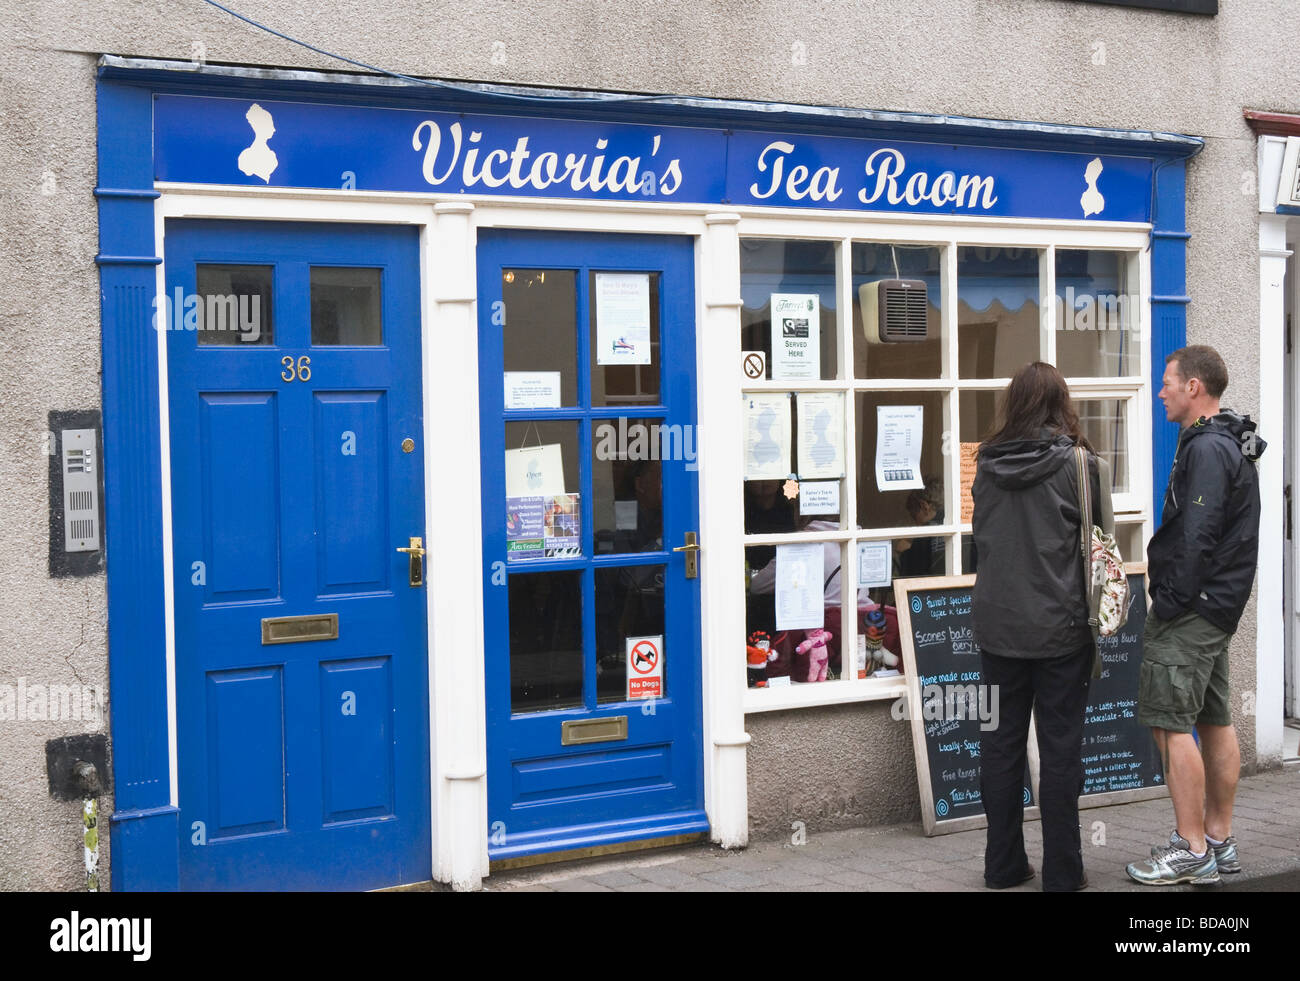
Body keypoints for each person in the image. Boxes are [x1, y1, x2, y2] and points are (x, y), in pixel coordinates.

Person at [1125, 346, 1264, 886]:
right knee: (1213, 719)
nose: (1160, 391)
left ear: (1194, 388)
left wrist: (1171, 601)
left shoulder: (1207, 447)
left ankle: (1191, 848)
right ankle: (1219, 839)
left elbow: (1199, 535)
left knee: (1170, 723)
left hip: (1194, 610)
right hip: (1218, 608)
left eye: (1167, 382)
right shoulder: (1231, 439)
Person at [971, 361, 1106, 892]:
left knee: (998, 747)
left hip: (997, 627)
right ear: (1061, 403)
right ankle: (1064, 874)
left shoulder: (984, 462)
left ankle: (1002, 866)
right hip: (1061, 628)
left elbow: (983, 535)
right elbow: (1101, 545)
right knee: (1060, 751)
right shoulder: (1079, 462)